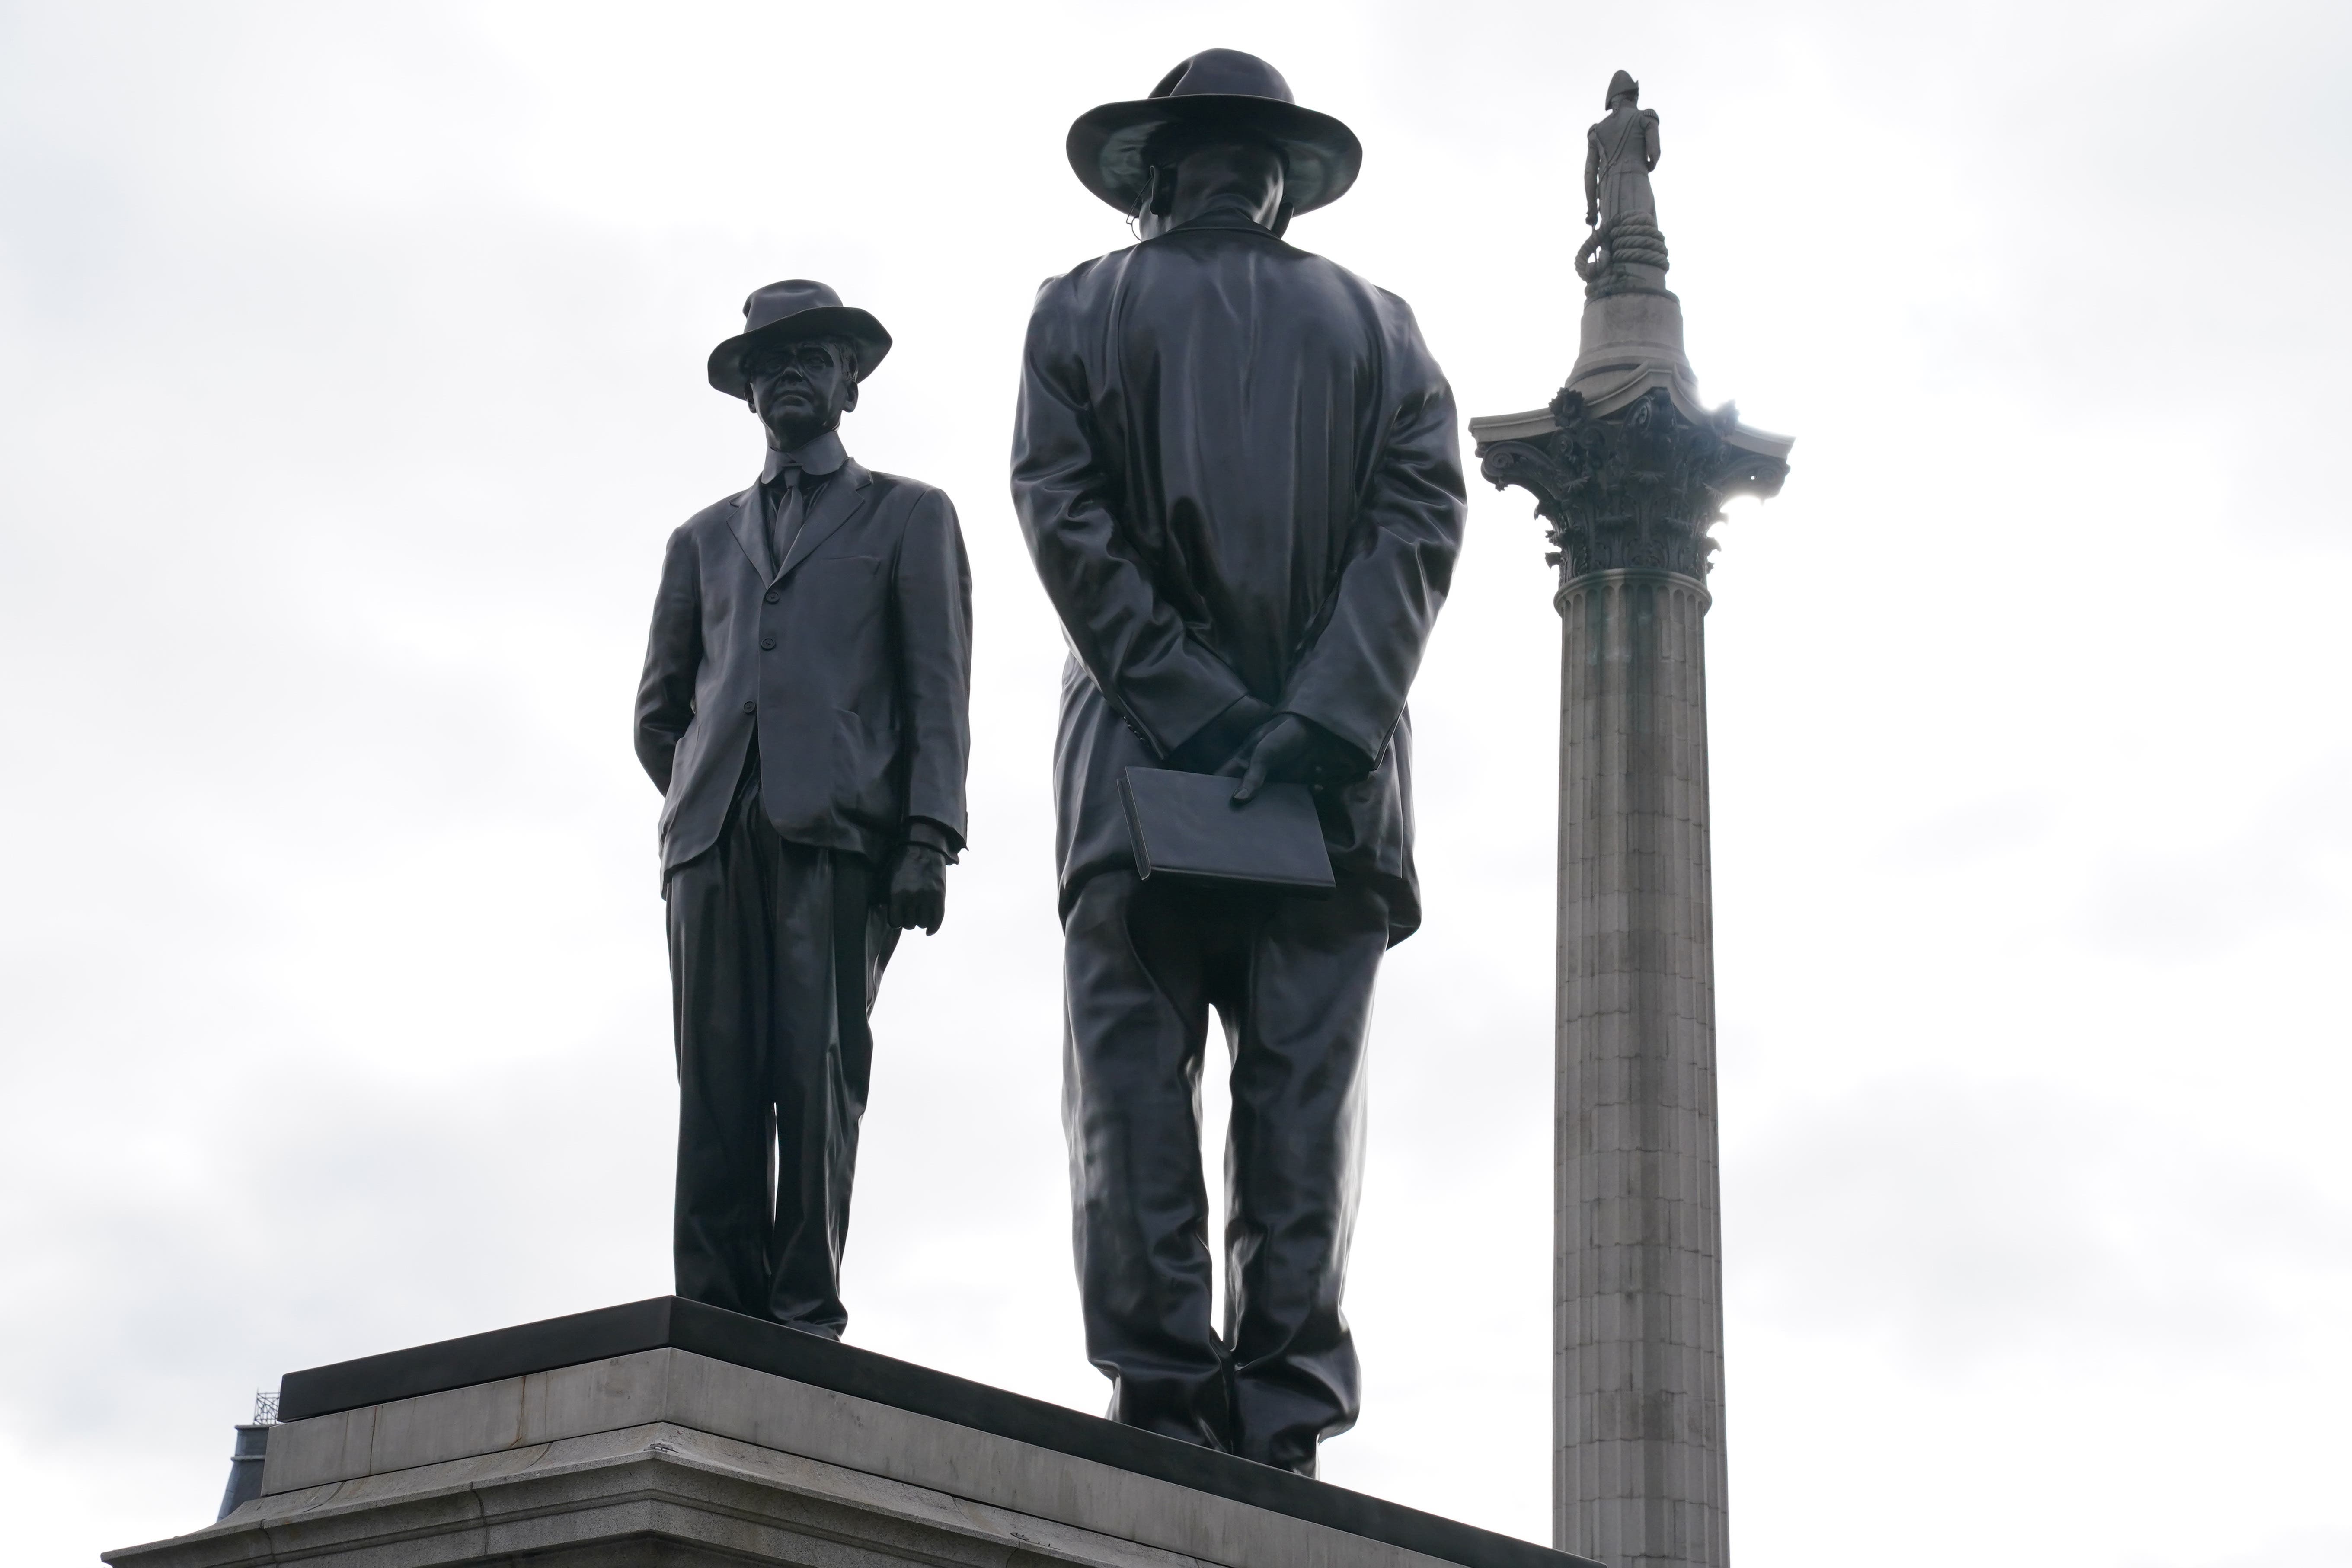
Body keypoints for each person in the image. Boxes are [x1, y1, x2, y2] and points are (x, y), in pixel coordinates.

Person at [1012, 50, 1466, 1474]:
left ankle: (1159, 1393)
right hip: (1333, 793)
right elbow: (1422, 518)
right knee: (1303, 1107)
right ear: (1282, 181)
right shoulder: (1383, 328)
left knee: (1135, 1093)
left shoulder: (1082, 306)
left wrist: (1195, 707)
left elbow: (1062, 509)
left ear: (1155, 172)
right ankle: (1282, 1417)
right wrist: (1323, 715)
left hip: (1140, 779)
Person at [635, 279, 972, 1337]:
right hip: (711, 838)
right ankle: (714, 1309)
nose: (791, 374)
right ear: (746, 393)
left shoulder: (911, 514)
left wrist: (925, 834)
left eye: (813, 357)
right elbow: (659, 710)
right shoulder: (699, 538)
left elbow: (937, 688)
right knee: (716, 1086)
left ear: (849, 384)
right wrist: (709, 789)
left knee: (816, 1075)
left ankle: (801, 1312)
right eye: (770, 362)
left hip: (841, 839)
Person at [1584, 68, 1661, 231]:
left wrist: (1592, 210)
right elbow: (1655, 154)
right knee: (1643, 237)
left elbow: (1590, 173)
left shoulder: (1597, 132)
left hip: (1607, 196)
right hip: (1638, 187)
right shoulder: (1646, 117)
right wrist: (1650, 165)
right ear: (1632, 96)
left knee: (1610, 246)